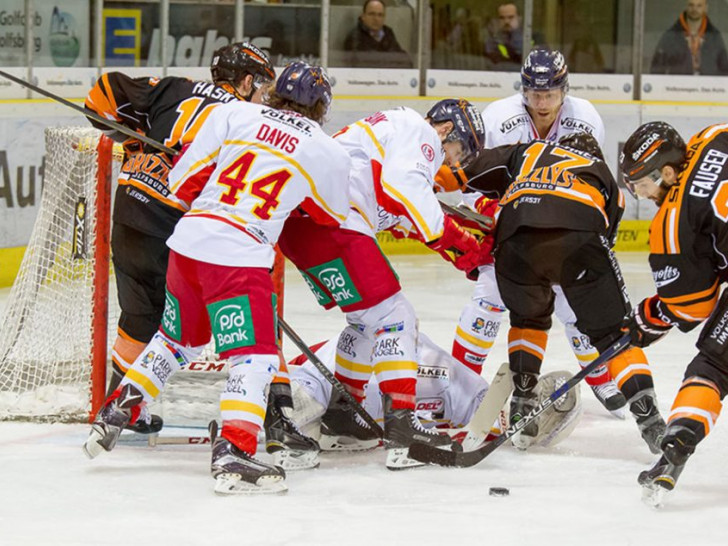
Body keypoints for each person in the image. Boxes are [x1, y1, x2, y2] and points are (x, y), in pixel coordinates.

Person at [83, 62, 352, 496]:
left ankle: (116, 411)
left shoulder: (236, 115)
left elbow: (182, 181)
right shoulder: (325, 148)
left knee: (176, 342)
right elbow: (330, 215)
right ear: (321, 106)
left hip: (187, 245)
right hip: (238, 256)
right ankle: (234, 452)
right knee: (257, 356)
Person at [278, 99, 487, 469]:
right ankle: (404, 432)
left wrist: (461, 251)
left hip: (302, 228)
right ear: (446, 130)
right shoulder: (418, 130)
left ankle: (346, 416)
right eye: (458, 152)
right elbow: (404, 189)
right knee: (396, 317)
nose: (452, 163)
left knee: (366, 322)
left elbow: (404, 216)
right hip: (333, 222)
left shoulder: (386, 138)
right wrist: (463, 244)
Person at [83, 43, 275, 435]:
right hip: (177, 227)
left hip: (130, 210)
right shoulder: (247, 116)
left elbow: (98, 97)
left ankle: (119, 408)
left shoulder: (173, 87)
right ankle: (273, 413)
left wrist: (135, 138)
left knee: (140, 317)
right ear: (248, 81)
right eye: (262, 87)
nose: (264, 97)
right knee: (238, 321)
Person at [439, 133, 667, 452]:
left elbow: (463, 172)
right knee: (615, 335)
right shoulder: (600, 170)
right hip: (578, 234)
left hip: (515, 236)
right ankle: (651, 421)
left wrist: (423, 181)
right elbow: (602, 241)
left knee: (528, 321)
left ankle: (522, 399)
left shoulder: (529, 151)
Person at [446, 47, 626, 419]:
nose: (542, 103)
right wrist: (497, 215)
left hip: (564, 225)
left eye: (550, 95)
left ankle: (600, 377)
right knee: (489, 297)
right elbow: (476, 180)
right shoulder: (499, 117)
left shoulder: (586, 118)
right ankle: (460, 384)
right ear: (523, 90)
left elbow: (595, 182)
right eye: (534, 94)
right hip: (513, 222)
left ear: (565, 89)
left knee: (576, 302)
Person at [619, 121, 728, 505]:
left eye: (643, 184)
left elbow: (693, 306)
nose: (642, 194)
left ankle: (681, 436)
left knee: (714, 367)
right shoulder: (714, 135)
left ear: (667, 172)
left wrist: (648, 318)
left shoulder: (670, 223)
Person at [285, 332, 582, 464]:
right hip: (338, 385)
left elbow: (483, 410)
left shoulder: (444, 374)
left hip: (350, 387)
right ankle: (296, 398)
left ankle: (293, 402)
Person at [651, 0, 728, 75]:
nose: (694, 9)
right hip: (678, 87)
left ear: (706, 8)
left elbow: (725, 70)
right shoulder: (670, 36)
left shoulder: (715, 37)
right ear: (686, 7)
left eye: (699, 6)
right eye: (691, 5)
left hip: (707, 87)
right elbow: (656, 69)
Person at [342, 0, 413, 68]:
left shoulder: (388, 33)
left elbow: (405, 61)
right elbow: (364, 64)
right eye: (372, 14)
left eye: (380, 15)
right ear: (363, 16)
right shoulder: (355, 38)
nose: (376, 19)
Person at [484, 3, 546, 69]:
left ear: (519, 18)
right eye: (502, 18)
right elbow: (494, 63)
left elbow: (541, 60)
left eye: (511, 17)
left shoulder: (535, 37)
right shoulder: (493, 40)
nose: (506, 21)